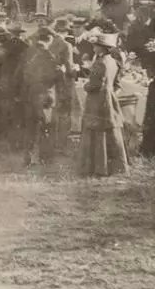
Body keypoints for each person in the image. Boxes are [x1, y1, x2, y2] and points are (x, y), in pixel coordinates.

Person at [79, 33, 128, 176]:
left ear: (102, 48)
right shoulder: (113, 61)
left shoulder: (100, 62)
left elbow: (95, 84)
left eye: (95, 45)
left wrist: (85, 86)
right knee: (110, 130)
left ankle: (97, 166)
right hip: (109, 98)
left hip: (97, 100)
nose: (93, 47)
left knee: (97, 130)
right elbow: (116, 83)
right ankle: (115, 166)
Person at [20, 28, 62, 165]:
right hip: (45, 94)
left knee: (31, 126)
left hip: (30, 93)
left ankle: (29, 157)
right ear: (49, 39)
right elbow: (56, 76)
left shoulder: (28, 53)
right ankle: (44, 157)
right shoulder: (49, 56)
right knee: (45, 126)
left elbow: (21, 74)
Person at [49, 19, 79, 147]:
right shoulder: (66, 45)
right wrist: (77, 70)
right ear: (66, 31)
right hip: (63, 82)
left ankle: (51, 140)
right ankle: (61, 143)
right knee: (65, 112)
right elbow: (69, 68)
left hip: (50, 82)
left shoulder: (49, 43)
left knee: (54, 111)